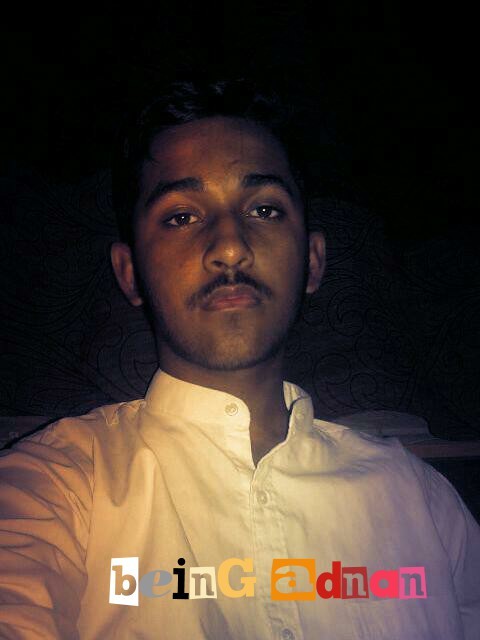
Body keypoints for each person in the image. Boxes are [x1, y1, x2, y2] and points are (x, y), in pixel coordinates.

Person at [0, 78, 479, 640]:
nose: (230, 246)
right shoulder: (52, 484)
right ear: (129, 274)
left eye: (265, 209)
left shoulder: (425, 503)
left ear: (314, 261)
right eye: (181, 216)